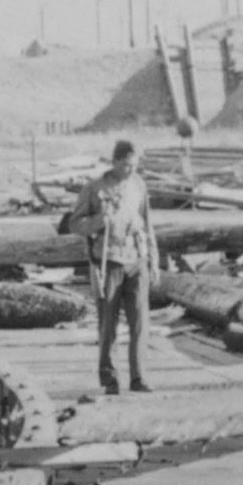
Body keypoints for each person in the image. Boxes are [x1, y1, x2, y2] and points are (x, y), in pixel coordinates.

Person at [77, 134, 159, 393]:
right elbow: (74, 223)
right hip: (107, 262)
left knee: (140, 323)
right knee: (108, 323)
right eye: (126, 165)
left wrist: (153, 260)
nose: (131, 170)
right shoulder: (94, 189)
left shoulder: (139, 186)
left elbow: (147, 224)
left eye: (134, 165)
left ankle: (139, 377)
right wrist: (97, 222)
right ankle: (110, 378)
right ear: (114, 162)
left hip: (136, 260)